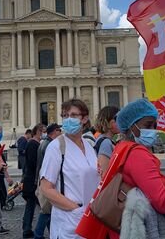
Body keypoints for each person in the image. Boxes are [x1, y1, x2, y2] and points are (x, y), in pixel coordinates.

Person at [111, 99, 165, 238]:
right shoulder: (138, 154)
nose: (153, 130)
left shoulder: (122, 148)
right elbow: (162, 202)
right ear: (132, 126)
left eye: (154, 125)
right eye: (148, 124)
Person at [39, 99, 99, 239]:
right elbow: (46, 187)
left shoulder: (89, 146)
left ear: (84, 119)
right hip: (69, 220)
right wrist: (76, 209)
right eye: (65, 116)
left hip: (91, 219)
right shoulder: (56, 147)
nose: (68, 119)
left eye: (73, 115)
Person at [34, 123, 61, 239]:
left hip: (44, 180)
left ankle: (52, 234)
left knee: (49, 211)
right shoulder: (49, 145)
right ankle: (38, 235)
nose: (61, 132)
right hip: (47, 181)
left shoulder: (44, 143)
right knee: (46, 211)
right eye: (59, 130)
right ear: (54, 132)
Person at [22, 123, 46, 238]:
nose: (43, 133)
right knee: (42, 206)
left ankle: (28, 229)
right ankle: (31, 231)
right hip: (32, 180)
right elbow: (32, 163)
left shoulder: (36, 143)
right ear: (37, 131)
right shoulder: (32, 144)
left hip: (33, 179)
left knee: (34, 206)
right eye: (42, 131)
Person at [94, 106, 120, 178]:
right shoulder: (105, 142)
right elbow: (105, 175)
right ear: (108, 122)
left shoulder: (104, 139)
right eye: (117, 119)